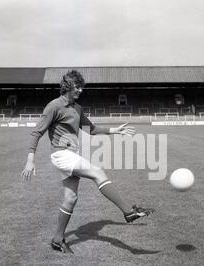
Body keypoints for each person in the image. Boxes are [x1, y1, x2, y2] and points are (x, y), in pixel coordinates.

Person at [21, 70, 154, 253]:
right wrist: (30, 160)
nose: (81, 90)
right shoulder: (54, 106)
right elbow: (37, 132)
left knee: (71, 198)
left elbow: (91, 129)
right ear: (68, 86)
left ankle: (57, 239)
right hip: (62, 155)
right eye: (77, 87)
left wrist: (115, 130)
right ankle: (128, 211)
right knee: (97, 172)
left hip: (71, 155)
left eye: (82, 87)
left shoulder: (77, 108)